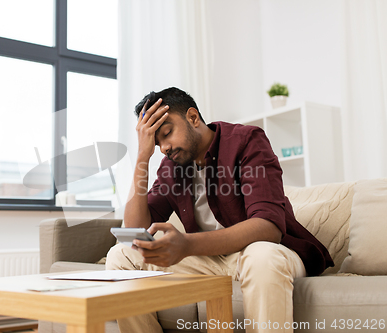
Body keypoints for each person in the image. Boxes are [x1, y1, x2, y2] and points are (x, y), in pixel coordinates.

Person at [105, 87, 334, 333]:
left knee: (261, 256)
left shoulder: (246, 140)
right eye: (156, 142)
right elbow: (135, 230)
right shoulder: (171, 166)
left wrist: (187, 244)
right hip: (209, 261)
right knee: (120, 256)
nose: (164, 148)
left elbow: (269, 227)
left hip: (264, 253)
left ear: (193, 118)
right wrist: (142, 156)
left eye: (167, 133)